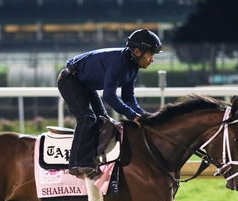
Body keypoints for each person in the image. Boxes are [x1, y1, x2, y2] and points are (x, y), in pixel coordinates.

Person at [57, 28, 162, 177]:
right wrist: (133, 116)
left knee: (103, 120)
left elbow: (129, 99)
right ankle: (77, 163)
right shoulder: (119, 63)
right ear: (138, 52)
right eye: (151, 54)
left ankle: (96, 158)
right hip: (70, 81)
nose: (152, 59)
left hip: (85, 84)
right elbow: (109, 96)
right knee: (87, 118)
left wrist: (144, 117)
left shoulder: (133, 67)